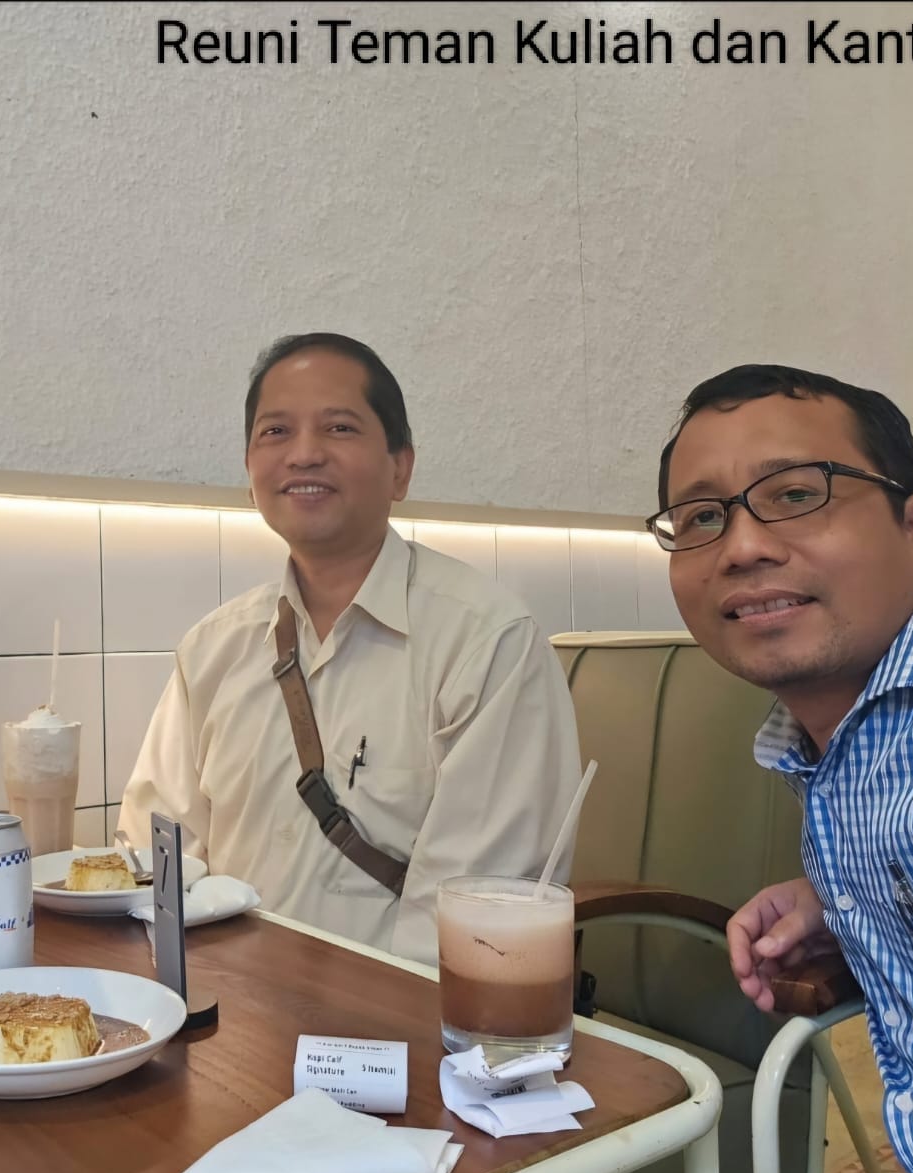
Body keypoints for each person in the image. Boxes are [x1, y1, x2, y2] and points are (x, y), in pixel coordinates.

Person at [648, 362, 913, 1173]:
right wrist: (845, 897)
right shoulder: (833, 746)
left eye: (798, 494)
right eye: (702, 517)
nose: (743, 546)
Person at [117, 332, 582, 965]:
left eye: (339, 428)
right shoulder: (213, 650)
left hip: (396, 1019)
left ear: (400, 468)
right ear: (250, 472)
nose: (304, 454)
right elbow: (154, 857)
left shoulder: (487, 643)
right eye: (276, 432)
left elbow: (475, 920)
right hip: (223, 1005)